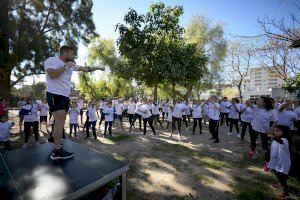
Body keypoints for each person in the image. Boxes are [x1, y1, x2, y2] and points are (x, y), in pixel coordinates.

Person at [44, 45, 102, 160]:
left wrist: (98, 67)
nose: (73, 56)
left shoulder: (71, 65)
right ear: (64, 53)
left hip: (65, 96)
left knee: (60, 122)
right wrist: (65, 67)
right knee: (59, 121)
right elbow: (52, 74)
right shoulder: (52, 60)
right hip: (55, 94)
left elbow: (85, 69)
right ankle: (57, 151)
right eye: (71, 54)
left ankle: (56, 145)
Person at [248, 96, 278, 172]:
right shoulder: (255, 108)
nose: (257, 101)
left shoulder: (271, 111)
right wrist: (248, 102)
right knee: (252, 141)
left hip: (264, 131)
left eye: (259, 101)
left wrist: (270, 128)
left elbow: (275, 122)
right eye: (257, 100)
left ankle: (268, 163)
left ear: (264, 103)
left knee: (265, 147)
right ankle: (253, 151)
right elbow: (248, 104)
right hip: (254, 128)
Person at [267, 125, 291, 200]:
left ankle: (285, 194)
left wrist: (272, 136)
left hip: (283, 162)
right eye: (274, 130)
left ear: (284, 132)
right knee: (277, 174)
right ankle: (278, 184)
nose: (275, 132)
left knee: (282, 178)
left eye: (278, 131)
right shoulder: (276, 139)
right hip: (276, 161)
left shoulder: (284, 140)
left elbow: (279, 141)